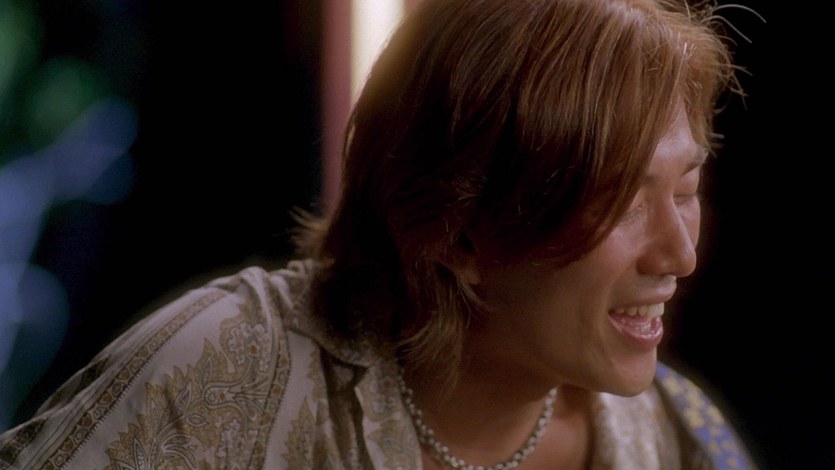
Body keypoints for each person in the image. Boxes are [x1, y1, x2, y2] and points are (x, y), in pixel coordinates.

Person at [0, 0, 759, 468]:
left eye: (685, 190)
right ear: (460, 230)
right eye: (621, 201)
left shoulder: (680, 440)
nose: (679, 254)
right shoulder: (225, 373)